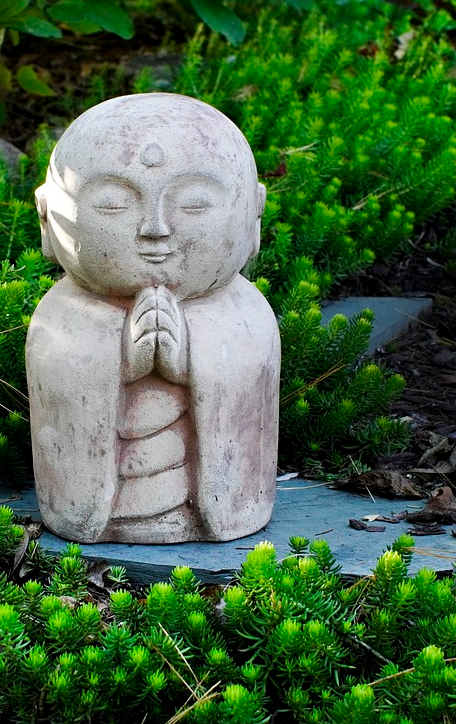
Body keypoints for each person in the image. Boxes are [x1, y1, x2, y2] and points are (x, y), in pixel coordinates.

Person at [26, 93, 280, 543]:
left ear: (253, 215)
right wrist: (120, 360)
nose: (156, 229)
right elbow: (59, 383)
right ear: (49, 219)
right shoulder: (61, 316)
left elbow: (249, 386)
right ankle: (90, 519)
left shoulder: (244, 312)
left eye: (195, 205)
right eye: (113, 205)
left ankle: (220, 517)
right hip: (97, 495)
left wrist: (194, 361)